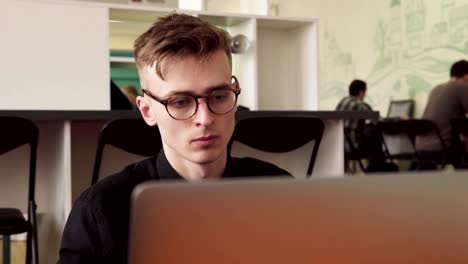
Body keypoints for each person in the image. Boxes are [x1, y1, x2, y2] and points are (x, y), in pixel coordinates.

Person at [57, 13, 290, 264]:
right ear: (147, 111)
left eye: (219, 96)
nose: (205, 118)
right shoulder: (102, 211)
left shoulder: (281, 192)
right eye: (180, 102)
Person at [336, 79, 397, 172]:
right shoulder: (360, 105)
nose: (365, 95)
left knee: (370, 132)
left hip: (341, 146)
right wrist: (398, 118)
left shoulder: (342, 102)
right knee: (375, 134)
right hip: (353, 148)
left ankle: (375, 167)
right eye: (365, 92)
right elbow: (379, 121)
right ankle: (378, 167)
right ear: (361, 92)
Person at [416, 60, 468, 167]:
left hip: (421, 149)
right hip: (442, 149)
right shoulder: (461, 86)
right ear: (466, 77)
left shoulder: (436, 88)